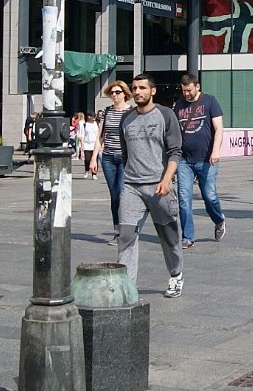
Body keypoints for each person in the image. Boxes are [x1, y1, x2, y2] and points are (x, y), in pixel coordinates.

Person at [118, 73, 184, 299]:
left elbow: (175, 151)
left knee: (169, 235)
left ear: (152, 91)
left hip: (159, 186)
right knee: (126, 234)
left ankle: (176, 274)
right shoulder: (126, 119)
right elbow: (126, 154)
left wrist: (166, 179)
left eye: (142, 88)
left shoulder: (166, 115)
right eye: (134, 88)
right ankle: (127, 287)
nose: (137, 92)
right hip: (131, 186)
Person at [173, 73, 226, 248]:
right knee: (183, 198)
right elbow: (175, 132)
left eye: (189, 90)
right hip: (184, 160)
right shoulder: (178, 105)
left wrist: (216, 150)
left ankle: (219, 220)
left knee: (209, 196)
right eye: (183, 91)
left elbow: (218, 128)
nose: (186, 94)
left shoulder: (210, 101)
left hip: (207, 159)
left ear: (197, 86)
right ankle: (188, 237)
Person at [94, 80, 132, 246]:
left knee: (123, 193)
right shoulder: (107, 111)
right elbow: (100, 136)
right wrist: (94, 157)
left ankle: (125, 230)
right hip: (108, 158)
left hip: (124, 158)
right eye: (112, 93)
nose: (114, 95)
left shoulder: (132, 111)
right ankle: (117, 230)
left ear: (125, 93)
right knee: (114, 195)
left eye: (117, 92)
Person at [78, 111, 100, 179]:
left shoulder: (97, 124)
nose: (94, 117)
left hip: (95, 143)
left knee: (95, 159)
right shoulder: (84, 125)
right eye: (92, 116)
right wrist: (82, 145)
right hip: (87, 143)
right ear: (89, 117)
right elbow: (82, 135)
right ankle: (87, 170)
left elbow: (100, 135)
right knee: (87, 159)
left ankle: (94, 173)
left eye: (94, 116)